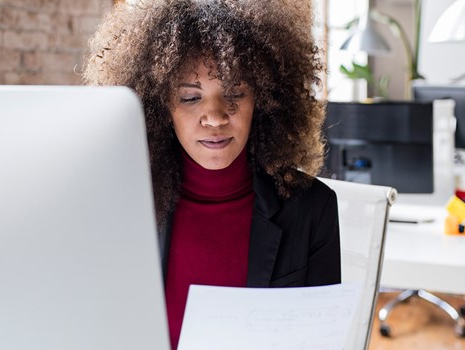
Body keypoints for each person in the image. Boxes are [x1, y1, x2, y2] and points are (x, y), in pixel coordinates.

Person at [82, 0, 341, 348]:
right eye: (191, 98)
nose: (216, 117)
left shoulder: (312, 209)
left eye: (235, 93)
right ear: (160, 107)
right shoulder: (125, 209)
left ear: (263, 99)